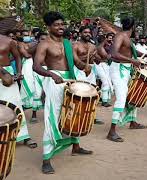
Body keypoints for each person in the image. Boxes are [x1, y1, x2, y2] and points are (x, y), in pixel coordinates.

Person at [33, 11, 93, 174]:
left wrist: (85, 67)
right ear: (48, 27)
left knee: (73, 113)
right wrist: (52, 74)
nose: (61, 27)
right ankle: (46, 159)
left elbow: (77, 62)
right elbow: (36, 66)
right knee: (53, 116)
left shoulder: (68, 43)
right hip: (54, 81)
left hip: (70, 81)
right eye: (56, 25)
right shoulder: (44, 44)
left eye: (62, 24)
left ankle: (76, 146)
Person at [106, 17, 147, 142]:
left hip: (126, 69)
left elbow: (131, 52)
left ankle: (132, 122)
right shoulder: (120, 36)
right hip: (118, 69)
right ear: (133, 27)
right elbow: (113, 53)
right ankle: (111, 131)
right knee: (121, 98)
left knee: (132, 95)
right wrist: (133, 61)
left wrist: (146, 55)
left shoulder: (127, 37)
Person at [0, 34, 37, 148]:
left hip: (8, 74)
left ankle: (24, 136)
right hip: (4, 74)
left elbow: (18, 57)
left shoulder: (9, 41)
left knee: (15, 105)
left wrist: (19, 73)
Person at [96, 32, 114, 107]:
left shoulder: (103, 46)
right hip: (100, 65)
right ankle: (104, 101)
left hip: (104, 65)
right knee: (106, 82)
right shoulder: (100, 48)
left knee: (107, 81)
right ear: (104, 40)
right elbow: (107, 57)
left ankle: (105, 99)